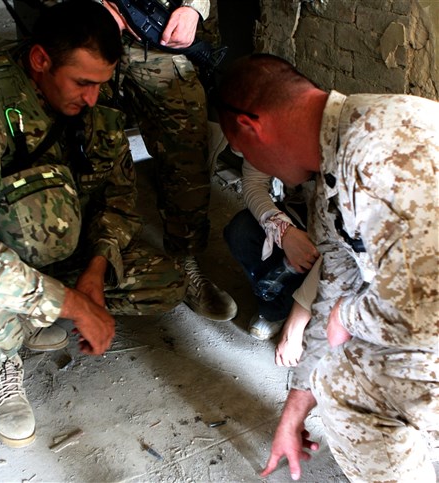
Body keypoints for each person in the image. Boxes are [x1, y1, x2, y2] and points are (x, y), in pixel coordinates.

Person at [0, 0, 186, 448]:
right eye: (82, 83)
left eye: (100, 84)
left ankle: (36, 306)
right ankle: (0, 361)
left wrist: (94, 270)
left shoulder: (98, 98)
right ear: (40, 61)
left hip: (58, 248)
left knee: (164, 282)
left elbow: (119, 198)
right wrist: (73, 306)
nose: (91, 98)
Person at [215, 53, 439, 482]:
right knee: (339, 379)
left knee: (351, 376)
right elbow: (331, 294)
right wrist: (294, 410)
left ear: (251, 127)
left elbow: (425, 315)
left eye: (244, 152)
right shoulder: (336, 167)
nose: (251, 164)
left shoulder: (381, 150)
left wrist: (347, 316)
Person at [100, 0, 238, 322]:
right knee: (94, 151)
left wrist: (194, 6)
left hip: (162, 37)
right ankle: (104, 265)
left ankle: (185, 261)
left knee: (187, 156)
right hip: (89, 31)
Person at [223, 156, 319, 341]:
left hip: (354, 243)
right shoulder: (263, 131)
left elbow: (343, 255)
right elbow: (254, 182)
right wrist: (284, 233)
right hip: (306, 211)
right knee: (242, 230)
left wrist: (294, 327)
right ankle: (278, 308)